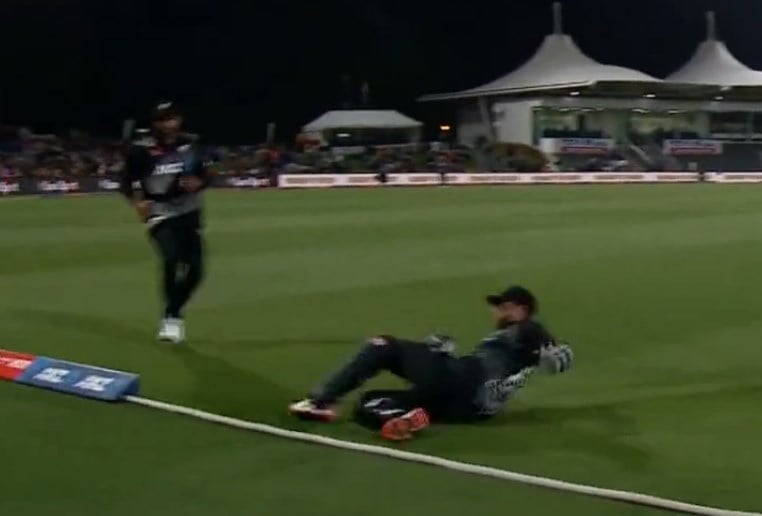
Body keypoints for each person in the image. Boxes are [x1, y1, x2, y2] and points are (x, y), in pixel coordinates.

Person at [289, 286, 574, 441]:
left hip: (461, 381)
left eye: (504, 306)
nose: (497, 311)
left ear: (521, 310)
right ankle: (405, 418)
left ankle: (320, 402)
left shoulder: (525, 328)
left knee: (384, 345)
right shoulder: (515, 342)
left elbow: (553, 352)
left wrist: (554, 352)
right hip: (466, 410)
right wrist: (440, 354)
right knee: (369, 401)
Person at [120, 102, 209, 344]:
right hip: (159, 211)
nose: (169, 124)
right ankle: (171, 318)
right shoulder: (142, 149)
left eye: (173, 118)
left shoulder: (191, 143)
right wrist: (138, 201)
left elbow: (205, 174)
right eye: (163, 119)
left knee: (197, 271)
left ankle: (174, 309)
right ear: (155, 123)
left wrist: (199, 182)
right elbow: (127, 181)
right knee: (171, 258)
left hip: (189, 211)